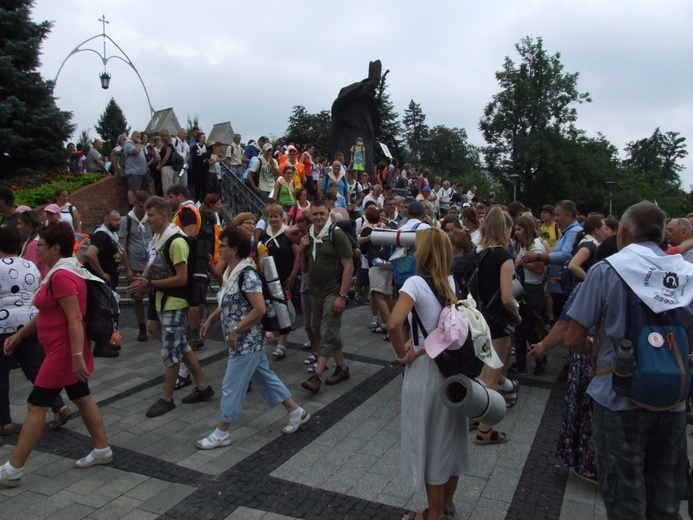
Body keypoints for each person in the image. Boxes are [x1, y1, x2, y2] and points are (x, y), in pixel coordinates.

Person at [565, 201, 693, 518]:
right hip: (672, 400)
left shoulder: (607, 270)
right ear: (662, 234)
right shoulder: (687, 273)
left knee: (625, 497)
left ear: (622, 233)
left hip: (617, 395)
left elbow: (573, 338)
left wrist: (595, 351)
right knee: (665, 500)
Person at [0, 222, 113, 487]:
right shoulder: (63, 271)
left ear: (55, 249)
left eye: (40, 245)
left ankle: (13, 468)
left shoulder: (62, 275)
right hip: (62, 349)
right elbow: (48, 314)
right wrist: (19, 336)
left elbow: (75, 317)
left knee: (35, 405)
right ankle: (101, 449)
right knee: (81, 396)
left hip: (63, 351)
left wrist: (75, 356)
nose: (35, 249)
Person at [195, 228, 310, 449]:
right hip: (243, 340)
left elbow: (258, 310)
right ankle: (297, 412)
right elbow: (227, 302)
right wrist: (210, 320)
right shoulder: (232, 272)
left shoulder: (247, 274)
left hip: (246, 341)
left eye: (223, 246)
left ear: (235, 249)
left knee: (231, 386)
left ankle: (222, 432)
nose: (220, 249)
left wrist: (236, 330)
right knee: (265, 378)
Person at [388, 228, 467, 520]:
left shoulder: (415, 283)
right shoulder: (454, 282)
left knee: (429, 442)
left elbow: (394, 324)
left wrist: (402, 355)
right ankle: (447, 507)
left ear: (425, 252)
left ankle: (432, 515)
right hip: (453, 370)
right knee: (450, 440)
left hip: (425, 368)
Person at [127, 196, 214, 417]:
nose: (148, 221)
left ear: (164, 215)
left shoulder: (176, 241)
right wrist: (144, 281)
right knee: (178, 345)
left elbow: (182, 278)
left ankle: (167, 399)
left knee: (171, 352)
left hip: (175, 302)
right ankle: (203, 386)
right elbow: (153, 261)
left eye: (152, 216)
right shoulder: (159, 238)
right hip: (163, 300)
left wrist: (150, 283)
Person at [0, 227, 71, 437]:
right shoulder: (29, 265)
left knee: (1, 374)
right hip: (29, 322)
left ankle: (4, 422)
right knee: (34, 368)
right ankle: (59, 405)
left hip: (3, 325)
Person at [475, 206, 522, 445]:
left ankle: (473, 416)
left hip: (480, 321)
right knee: (492, 375)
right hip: (498, 322)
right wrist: (516, 314)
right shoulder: (505, 258)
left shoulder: (481, 254)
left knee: (481, 373)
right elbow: (506, 297)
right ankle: (485, 429)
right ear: (506, 229)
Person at [299, 200, 354, 393]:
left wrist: (342, 295)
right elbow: (305, 268)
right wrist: (301, 249)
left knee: (327, 329)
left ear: (328, 213)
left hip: (333, 290)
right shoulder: (309, 236)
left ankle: (317, 376)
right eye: (315, 214)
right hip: (316, 290)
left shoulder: (336, 235)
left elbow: (349, 266)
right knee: (319, 329)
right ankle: (341, 368)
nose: (318, 217)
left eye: (322, 213)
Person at [259, 204, 300, 360]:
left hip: (284, 276)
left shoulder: (288, 233)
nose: (274, 219)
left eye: (276, 216)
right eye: (271, 216)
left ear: (282, 217)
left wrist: (293, 275)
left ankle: (281, 344)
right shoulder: (264, 235)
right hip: (268, 278)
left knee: (283, 309)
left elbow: (297, 255)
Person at [510, 215, 547, 375]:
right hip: (523, 287)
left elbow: (540, 269)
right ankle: (520, 363)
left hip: (532, 289)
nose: (516, 232)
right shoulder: (524, 245)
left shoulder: (536, 246)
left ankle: (540, 357)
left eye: (519, 229)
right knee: (519, 328)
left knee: (529, 327)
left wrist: (522, 264)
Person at [83, 209, 122, 358]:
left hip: (108, 280)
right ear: (106, 220)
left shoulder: (111, 235)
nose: (118, 223)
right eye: (115, 220)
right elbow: (90, 254)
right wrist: (102, 273)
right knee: (103, 313)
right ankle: (101, 345)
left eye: (119, 220)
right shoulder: (101, 236)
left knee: (109, 312)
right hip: (101, 282)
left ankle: (106, 342)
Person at [118, 191, 153, 342]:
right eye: (140, 207)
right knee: (137, 297)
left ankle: (154, 322)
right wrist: (127, 268)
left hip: (150, 263)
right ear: (134, 204)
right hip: (135, 263)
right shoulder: (127, 220)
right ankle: (141, 326)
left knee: (154, 293)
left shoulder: (150, 219)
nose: (143, 210)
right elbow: (122, 245)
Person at [124, 131, 154, 205]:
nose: (139, 138)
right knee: (134, 188)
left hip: (142, 171)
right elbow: (136, 151)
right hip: (133, 171)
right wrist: (139, 143)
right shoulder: (128, 144)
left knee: (150, 182)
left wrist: (146, 166)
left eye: (139, 137)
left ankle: (152, 201)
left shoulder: (138, 145)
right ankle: (133, 205)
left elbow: (142, 157)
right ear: (133, 136)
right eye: (138, 137)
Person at [18, 210, 49, 278]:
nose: (17, 226)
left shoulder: (33, 245)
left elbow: (29, 270)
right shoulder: (38, 240)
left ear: (29, 225)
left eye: (19, 223)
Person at [157, 129, 176, 193]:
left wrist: (160, 166)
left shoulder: (169, 146)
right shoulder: (165, 146)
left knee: (167, 187)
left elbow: (166, 157)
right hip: (166, 167)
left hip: (167, 167)